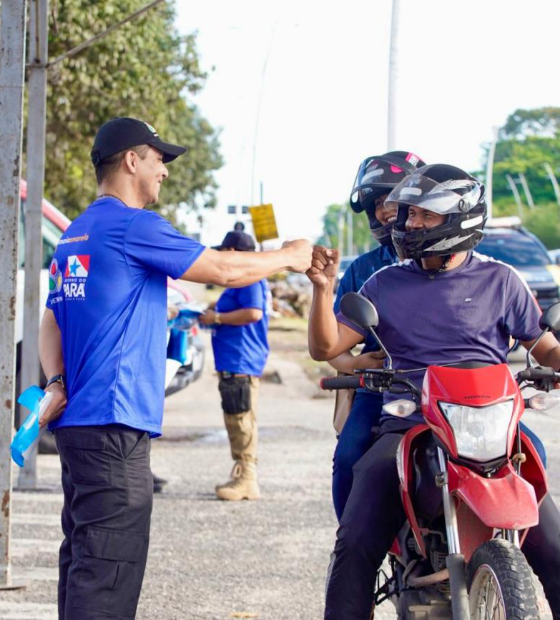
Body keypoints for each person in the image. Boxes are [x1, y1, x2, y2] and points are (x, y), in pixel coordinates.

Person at [38, 116, 312, 620]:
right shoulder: (132, 224)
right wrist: (289, 256)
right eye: (159, 158)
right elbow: (224, 269)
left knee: (84, 563)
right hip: (114, 427)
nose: (163, 170)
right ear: (131, 160)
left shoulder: (76, 234)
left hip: (79, 425)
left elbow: (51, 321)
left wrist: (56, 381)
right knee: (107, 575)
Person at [307, 164, 560, 619]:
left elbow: (545, 347)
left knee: (553, 542)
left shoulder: (502, 281)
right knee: (355, 542)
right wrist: (322, 289)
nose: (408, 224)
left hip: (493, 428)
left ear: (458, 219)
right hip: (411, 425)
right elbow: (326, 346)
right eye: (408, 215)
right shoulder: (383, 283)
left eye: (424, 216)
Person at [329, 151, 426, 521]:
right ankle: (351, 545)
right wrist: (353, 364)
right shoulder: (365, 270)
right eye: (376, 204)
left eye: (391, 200)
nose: (384, 211)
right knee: (350, 455)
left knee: (523, 450)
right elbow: (332, 348)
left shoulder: (463, 261)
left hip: (453, 390)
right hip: (385, 388)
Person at [199, 230, 270, 501]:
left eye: (224, 251)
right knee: (235, 416)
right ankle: (241, 473)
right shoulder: (240, 280)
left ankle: (248, 479)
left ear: (235, 252)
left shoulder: (248, 277)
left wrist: (216, 317)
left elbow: (253, 312)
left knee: (241, 419)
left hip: (241, 358)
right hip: (233, 358)